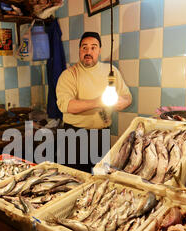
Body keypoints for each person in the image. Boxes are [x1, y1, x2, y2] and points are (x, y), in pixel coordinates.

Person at [56, 31, 132, 173]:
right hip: (74, 136)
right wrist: (98, 102)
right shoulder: (69, 74)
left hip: (101, 135)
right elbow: (66, 105)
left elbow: (127, 97)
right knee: (74, 179)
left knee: (99, 177)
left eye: (93, 47)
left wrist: (123, 102)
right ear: (79, 50)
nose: (88, 51)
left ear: (99, 50)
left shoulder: (111, 71)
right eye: (84, 47)